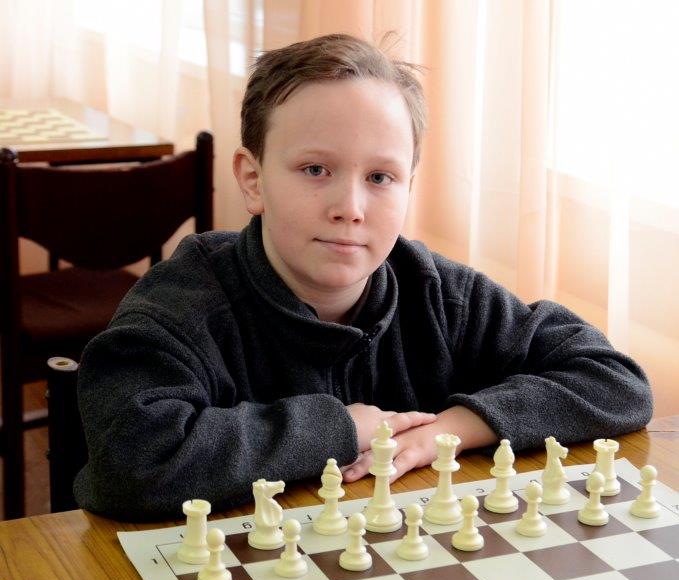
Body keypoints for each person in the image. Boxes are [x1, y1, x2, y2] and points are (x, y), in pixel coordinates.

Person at [74, 33, 653, 519]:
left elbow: (614, 380)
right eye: (315, 169)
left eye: (380, 177)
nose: (350, 207)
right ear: (253, 179)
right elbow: (131, 463)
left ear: (408, 187)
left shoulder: (438, 293)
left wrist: (451, 428)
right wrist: (341, 429)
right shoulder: (182, 305)